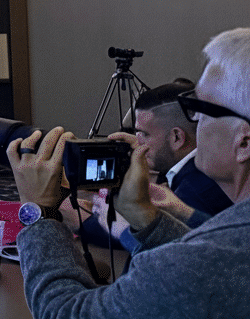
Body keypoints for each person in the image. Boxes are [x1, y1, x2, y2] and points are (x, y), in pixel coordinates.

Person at [7, 28, 250, 319]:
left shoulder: (197, 268)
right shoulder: (225, 249)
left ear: (244, 143)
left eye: (198, 109)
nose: (193, 125)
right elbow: (221, 247)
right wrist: (147, 220)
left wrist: (41, 213)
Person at [82, 79, 232, 248]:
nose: (137, 143)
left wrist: (121, 229)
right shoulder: (212, 172)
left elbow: (172, 260)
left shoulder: (191, 192)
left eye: (143, 134)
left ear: (176, 138)